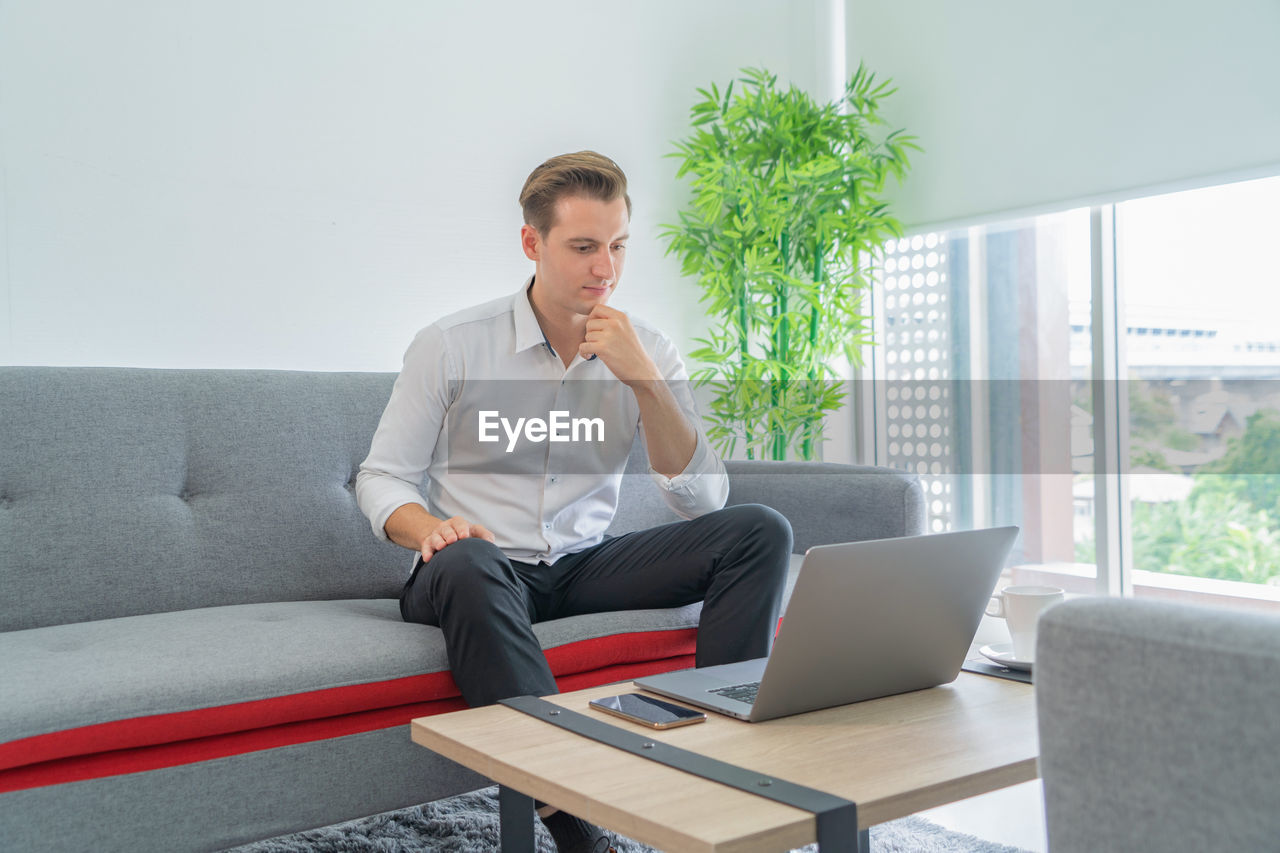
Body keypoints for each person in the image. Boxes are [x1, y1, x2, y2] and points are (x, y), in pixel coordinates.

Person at [356, 150, 792, 853]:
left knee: (758, 531)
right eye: (584, 247)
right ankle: (573, 818)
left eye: (618, 246)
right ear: (532, 244)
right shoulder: (451, 345)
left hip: (579, 566)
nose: (605, 269)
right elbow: (380, 479)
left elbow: (704, 499)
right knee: (471, 561)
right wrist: (434, 530)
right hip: (473, 570)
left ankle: (721, 775)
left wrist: (646, 384)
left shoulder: (646, 351)